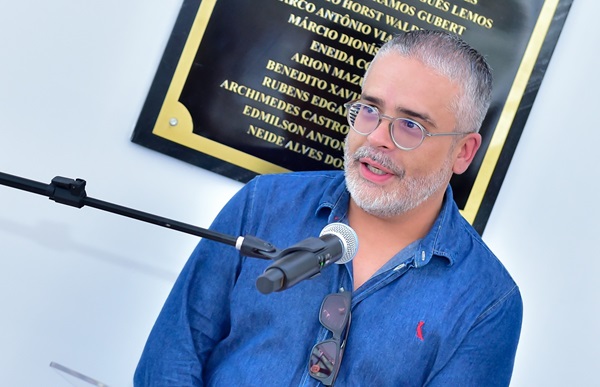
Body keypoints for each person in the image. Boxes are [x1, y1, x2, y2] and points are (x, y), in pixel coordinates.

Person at [134, 30, 522, 386]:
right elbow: (171, 357)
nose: (376, 138)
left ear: (464, 151)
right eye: (369, 110)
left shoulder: (488, 301)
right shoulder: (263, 204)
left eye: (410, 126)